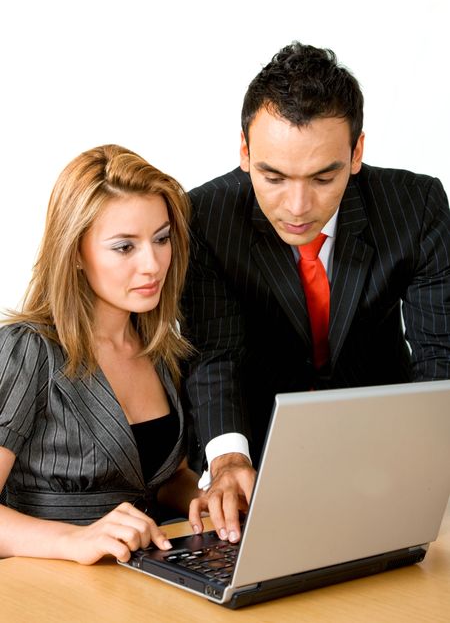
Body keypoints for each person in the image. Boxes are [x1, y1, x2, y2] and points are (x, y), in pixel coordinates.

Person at [183, 42, 450, 544]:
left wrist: (421, 461)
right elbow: (215, 354)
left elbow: (440, 352)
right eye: (273, 176)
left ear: (357, 154)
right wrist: (228, 457)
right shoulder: (206, 219)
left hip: (384, 453)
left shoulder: (416, 206)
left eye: (324, 177)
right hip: (257, 461)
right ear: (244, 152)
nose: (298, 206)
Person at [0, 144, 200, 564]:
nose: (153, 264)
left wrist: (203, 496)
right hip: (54, 589)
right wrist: (74, 541)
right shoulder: (27, 351)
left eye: (161, 239)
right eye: (125, 247)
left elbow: (164, 479)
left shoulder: (162, 350)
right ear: (74, 252)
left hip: (154, 576)